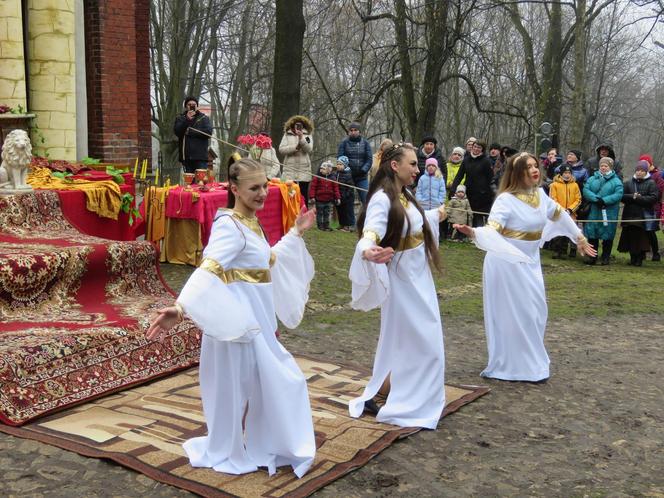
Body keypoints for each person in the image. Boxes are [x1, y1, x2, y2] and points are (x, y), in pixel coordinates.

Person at [146, 158, 317, 478]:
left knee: (267, 386)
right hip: (238, 328)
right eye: (254, 188)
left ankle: (256, 442)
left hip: (257, 325)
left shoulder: (250, 223)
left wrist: (295, 232)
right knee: (258, 387)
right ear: (234, 189)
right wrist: (181, 307)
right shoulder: (230, 226)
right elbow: (208, 268)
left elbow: (269, 260)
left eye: (265, 185)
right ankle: (231, 447)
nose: (263, 193)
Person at [453, 152, 596, 382]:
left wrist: (578, 237)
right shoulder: (505, 200)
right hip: (506, 263)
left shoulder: (540, 194)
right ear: (517, 173)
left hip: (530, 263)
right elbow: (493, 228)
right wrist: (474, 233)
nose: (534, 169)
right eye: (528, 167)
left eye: (534, 165)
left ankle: (530, 360)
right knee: (519, 314)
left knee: (537, 312)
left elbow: (560, 215)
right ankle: (516, 365)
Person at [348, 141, 446, 429]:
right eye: (413, 164)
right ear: (395, 166)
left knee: (416, 340)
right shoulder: (382, 198)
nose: (417, 169)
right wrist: (367, 250)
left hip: (418, 278)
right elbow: (371, 231)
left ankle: (384, 392)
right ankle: (398, 398)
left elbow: (412, 224)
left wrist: (436, 215)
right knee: (419, 340)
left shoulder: (405, 196)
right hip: (402, 281)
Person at [582, 156, 624, 265]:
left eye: (605, 166)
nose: (603, 168)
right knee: (592, 235)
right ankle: (592, 257)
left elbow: (618, 194)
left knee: (608, 235)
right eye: (601, 166)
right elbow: (586, 189)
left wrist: (605, 200)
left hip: (609, 212)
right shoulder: (592, 179)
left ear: (610, 167)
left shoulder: (616, 181)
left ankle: (605, 257)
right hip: (594, 211)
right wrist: (596, 199)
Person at [617, 160, 659, 266]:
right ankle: (632, 258)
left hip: (643, 215)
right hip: (629, 214)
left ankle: (639, 259)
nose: (639, 172)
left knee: (641, 238)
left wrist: (640, 199)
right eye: (637, 170)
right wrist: (632, 197)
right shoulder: (628, 183)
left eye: (641, 170)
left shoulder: (651, 183)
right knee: (629, 237)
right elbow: (621, 196)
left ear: (646, 172)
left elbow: (654, 198)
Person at [450, 140, 494, 227]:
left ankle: (478, 235)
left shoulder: (486, 161)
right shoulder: (466, 160)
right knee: (468, 213)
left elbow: (491, 178)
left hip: (482, 193)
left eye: (479, 147)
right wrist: (453, 189)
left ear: (482, 150)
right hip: (468, 191)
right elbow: (459, 176)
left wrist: (490, 193)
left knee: (478, 216)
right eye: (475, 146)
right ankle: (464, 234)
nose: (476, 149)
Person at [548, 164, 582, 258]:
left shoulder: (575, 185)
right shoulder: (554, 185)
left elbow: (578, 199)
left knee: (568, 232)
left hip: (571, 214)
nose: (567, 175)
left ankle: (563, 251)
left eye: (569, 173)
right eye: (565, 173)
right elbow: (552, 199)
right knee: (558, 232)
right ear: (561, 173)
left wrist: (570, 210)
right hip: (559, 213)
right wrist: (561, 210)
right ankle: (556, 250)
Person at [174, 96, 213, 174]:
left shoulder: (204, 118)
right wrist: (187, 119)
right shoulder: (180, 118)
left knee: (201, 182)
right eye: (189, 104)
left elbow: (208, 132)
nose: (192, 106)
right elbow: (178, 132)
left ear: (197, 106)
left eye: (194, 104)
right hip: (186, 157)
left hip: (200, 157)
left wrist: (190, 133)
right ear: (186, 106)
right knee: (189, 184)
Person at [279, 115, 314, 201]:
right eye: (296, 125)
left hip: (304, 170)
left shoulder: (308, 136)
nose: (298, 127)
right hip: (289, 170)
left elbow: (309, 149)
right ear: (293, 125)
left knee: (303, 196)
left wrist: (302, 138)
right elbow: (281, 149)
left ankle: (304, 213)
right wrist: (294, 148)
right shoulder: (287, 135)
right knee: (290, 194)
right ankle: (290, 213)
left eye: (300, 125)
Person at [337, 122, 373, 205]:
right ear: (348, 132)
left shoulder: (366, 143)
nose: (353, 132)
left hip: (362, 177)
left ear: (359, 131)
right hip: (347, 177)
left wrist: (363, 170)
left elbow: (369, 159)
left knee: (367, 200)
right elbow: (340, 158)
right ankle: (350, 218)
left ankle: (367, 217)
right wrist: (347, 170)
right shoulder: (344, 143)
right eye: (351, 130)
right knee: (348, 203)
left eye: (355, 130)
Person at [639, 154, 664, 261]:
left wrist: (647, 197)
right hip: (641, 206)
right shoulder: (640, 174)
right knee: (641, 230)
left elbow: (659, 191)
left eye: (646, 162)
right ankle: (643, 252)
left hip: (653, 206)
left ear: (650, 163)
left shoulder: (657, 175)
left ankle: (655, 252)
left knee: (650, 230)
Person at [309, 160, 340, 231]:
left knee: (327, 213)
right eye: (321, 168)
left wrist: (338, 198)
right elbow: (313, 187)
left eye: (323, 169)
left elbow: (336, 189)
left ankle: (326, 225)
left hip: (329, 200)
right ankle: (320, 226)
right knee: (319, 213)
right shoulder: (317, 177)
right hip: (319, 199)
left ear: (328, 170)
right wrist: (312, 197)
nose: (321, 170)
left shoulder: (333, 179)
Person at [331, 155, 355, 231]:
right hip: (339, 196)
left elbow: (350, 187)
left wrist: (346, 195)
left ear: (345, 165)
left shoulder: (348, 174)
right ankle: (341, 224)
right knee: (340, 211)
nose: (338, 166)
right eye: (337, 164)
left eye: (340, 164)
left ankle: (347, 226)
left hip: (347, 197)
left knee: (347, 212)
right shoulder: (336, 173)